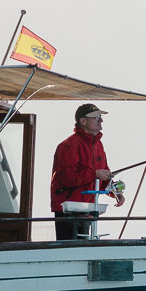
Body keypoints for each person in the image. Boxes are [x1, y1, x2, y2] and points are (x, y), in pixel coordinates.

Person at [50, 102, 112, 241]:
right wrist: (95, 174)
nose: (100, 120)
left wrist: (114, 191)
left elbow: (104, 173)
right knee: (69, 253)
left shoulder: (98, 145)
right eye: (96, 117)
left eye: (100, 117)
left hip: (87, 209)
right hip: (67, 211)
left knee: (81, 250)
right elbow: (68, 178)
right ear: (83, 121)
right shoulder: (68, 145)